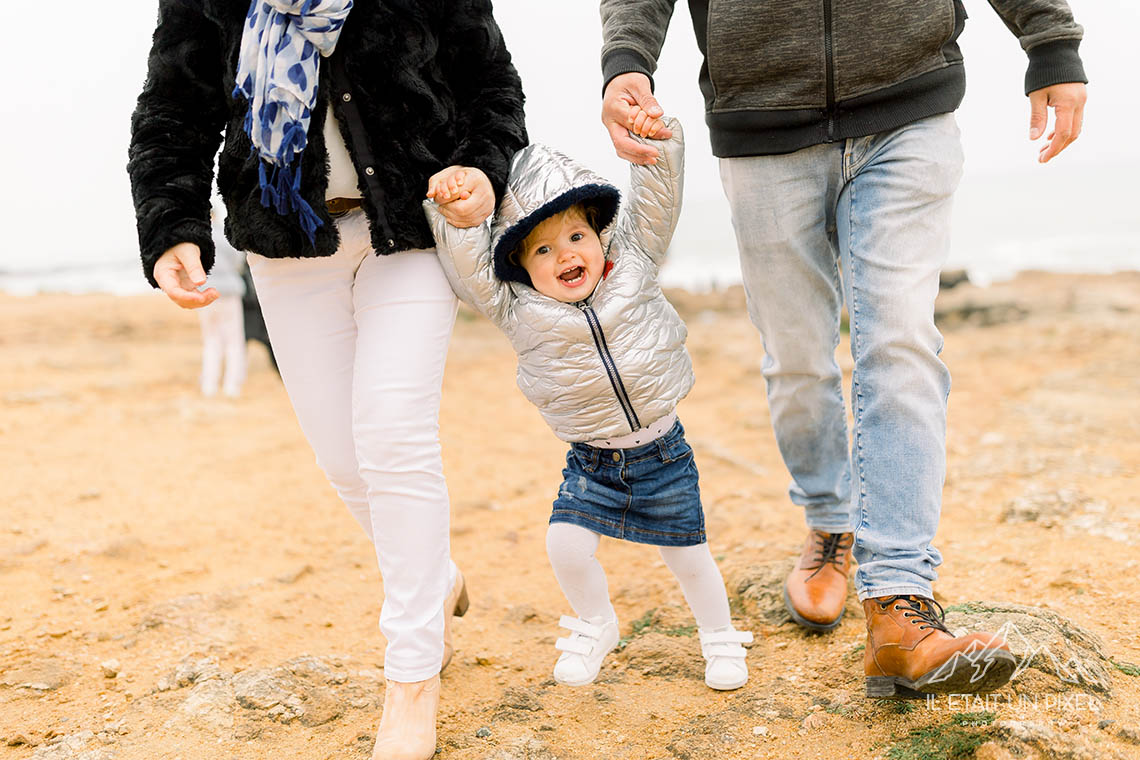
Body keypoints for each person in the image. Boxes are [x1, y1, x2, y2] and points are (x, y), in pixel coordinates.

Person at [599, 0, 1088, 699]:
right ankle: (830, 521)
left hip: (908, 104)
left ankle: (898, 605)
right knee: (797, 359)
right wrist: (627, 63)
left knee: (900, 341)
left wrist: (1049, 40)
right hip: (761, 122)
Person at [127, 1, 527, 757]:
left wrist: (482, 167)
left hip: (407, 230)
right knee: (345, 462)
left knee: (393, 441)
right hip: (286, 246)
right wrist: (171, 226)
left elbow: (492, 85)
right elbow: (174, 105)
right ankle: (432, 576)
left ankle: (411, 678)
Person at [425, 119, 753, 692]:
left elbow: (657, 201)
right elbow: (469, 269)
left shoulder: (634, 262)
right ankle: (596, 623)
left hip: (663, 451)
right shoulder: (516, 308)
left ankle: (719, 636)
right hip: (592, 461)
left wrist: (656, 143)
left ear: (601, 237)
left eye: (577, 237)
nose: (566, 255)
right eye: (544, 249)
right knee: (565, 545)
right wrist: (456, 211)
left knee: (689, 556)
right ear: (522, 268)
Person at [197, 205, 248, 398]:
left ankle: (209, 385)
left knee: (211, 340)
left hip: (206, 292)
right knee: (234, 340)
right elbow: (239, 262)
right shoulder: (225, 236)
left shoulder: (199, 238)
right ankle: (232, 386)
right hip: (230, 291)